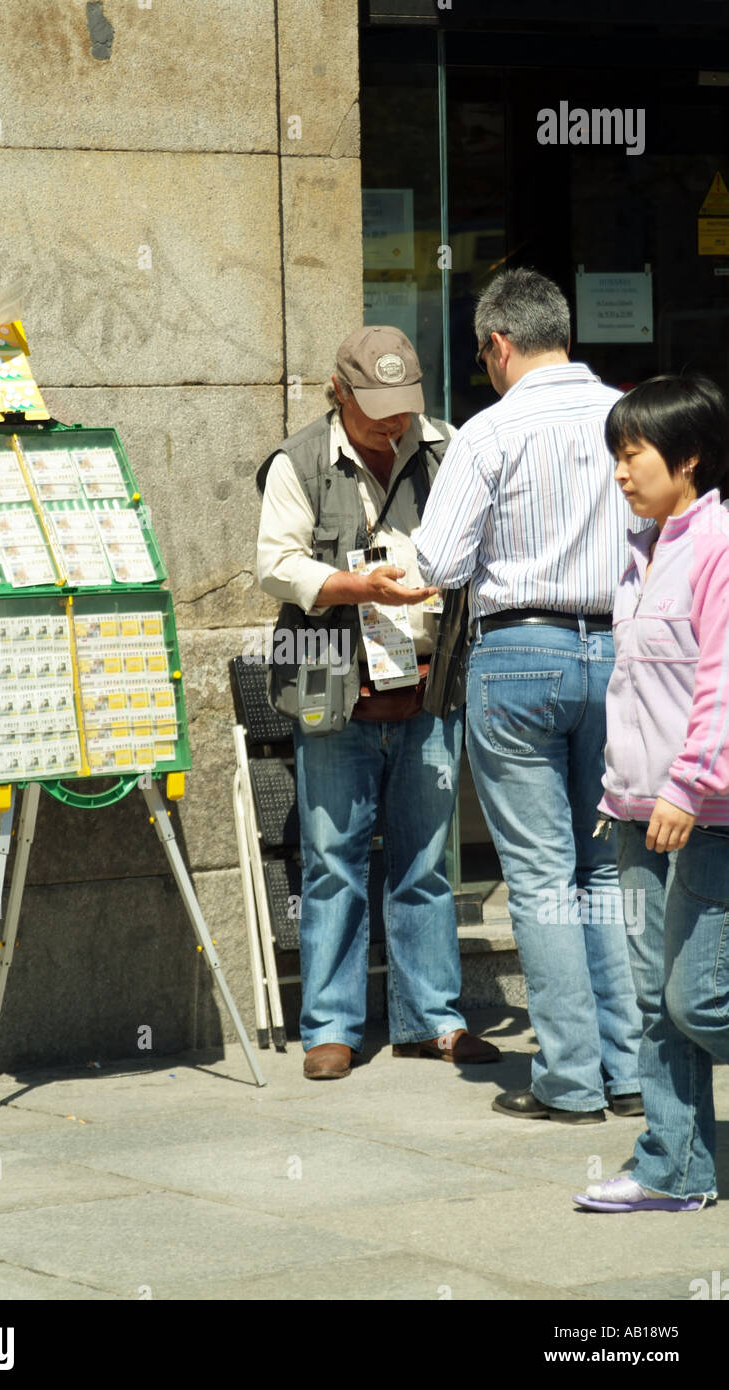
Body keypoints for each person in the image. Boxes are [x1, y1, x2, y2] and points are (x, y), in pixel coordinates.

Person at [414, 268, 642, 1122]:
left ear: (499, 346)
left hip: (520, 656)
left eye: (484, 355)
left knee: (543, 877)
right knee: (603, 869)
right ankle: (626, 1075)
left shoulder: (488, 432)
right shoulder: (629, 415)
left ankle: (570, 1080)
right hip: (619, 651)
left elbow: (437, 563)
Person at [256, 325, 500, 1079]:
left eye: (402, 407)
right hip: (334, 683)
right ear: (338, 392)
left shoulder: (447, 447)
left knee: (426, 862)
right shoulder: (298, 461)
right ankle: (331, 1024)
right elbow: (276, 564)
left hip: (427, 683)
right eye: (374, 410)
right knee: (333, 861)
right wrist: (357, 586)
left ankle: (434, 1018)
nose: (392, 424)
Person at [573, 374, 729, 1212]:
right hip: (635, 814)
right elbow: (635, 694)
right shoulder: (640, 555)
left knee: (697, 996)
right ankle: (675, 1170)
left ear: (689, 456)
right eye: (617, 458)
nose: (622, 474)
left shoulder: (719, 548)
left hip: (704, 816)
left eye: (633, 456)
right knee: (650, 1002)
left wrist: (687, 785)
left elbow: (721, 685)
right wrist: (619, 793)